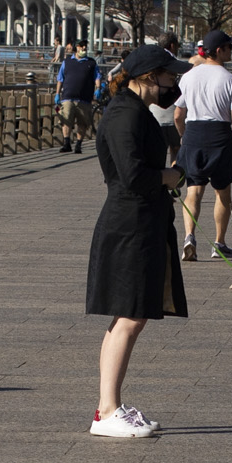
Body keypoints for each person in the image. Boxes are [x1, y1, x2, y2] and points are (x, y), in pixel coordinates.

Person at [86, 45, 190, 438]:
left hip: (141, 221)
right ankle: (107, 409)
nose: (173, 83)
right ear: (148, 77)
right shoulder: (124, 113)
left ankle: (108, 406)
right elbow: (131, 174)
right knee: (129, 315)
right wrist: (170, 176)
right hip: (128, 223)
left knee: (133, 315)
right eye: (169, 76)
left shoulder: (136, 111)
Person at [175, 31, 232, 259]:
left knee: (193, 191)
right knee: (222, 193)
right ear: (219, 50)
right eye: (229, 46)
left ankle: (189, 236)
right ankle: (219, 242)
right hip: (220, 137)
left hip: (194, 134)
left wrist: (184, 137)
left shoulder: (188, 77)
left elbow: (178, 114)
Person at [54, 44, 101, 152]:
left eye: (85, 47)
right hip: (68, 97)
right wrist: (57, 93)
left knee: (83, 123)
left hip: (84, 98)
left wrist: (98, 88)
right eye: (81, 46)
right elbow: (60, 79)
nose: (83, 49)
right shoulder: (67, 62)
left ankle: (79, 144)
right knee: (66, 120)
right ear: (76, 48)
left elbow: (97, 76)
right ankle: (66, 143)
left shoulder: (91, 63)